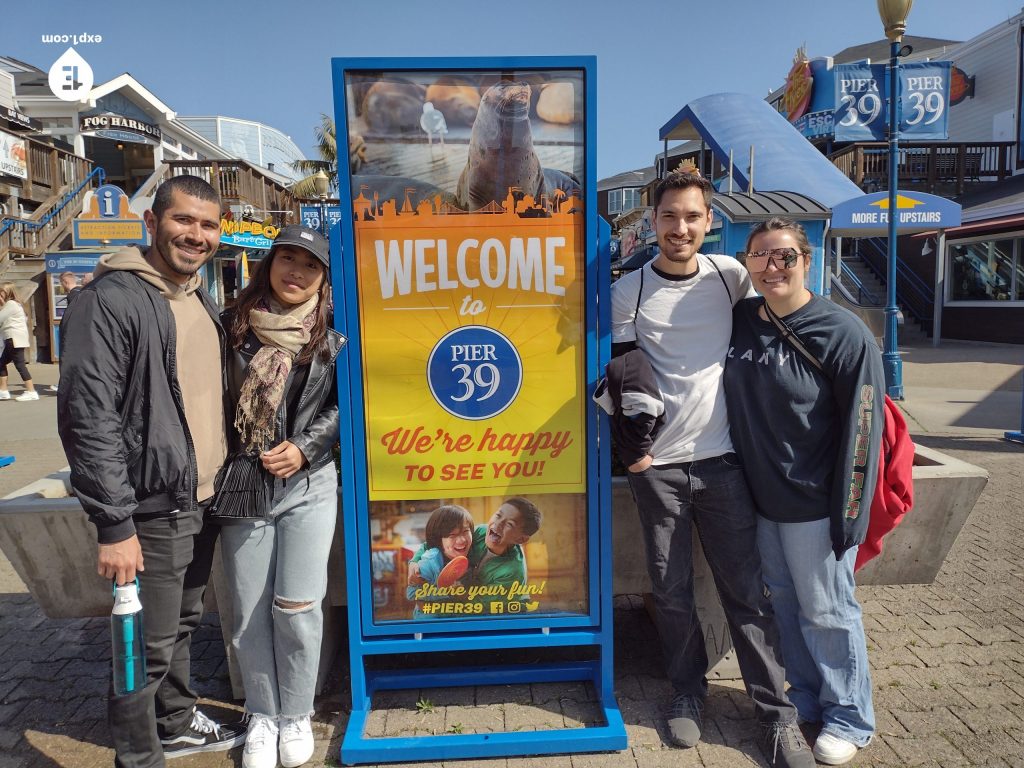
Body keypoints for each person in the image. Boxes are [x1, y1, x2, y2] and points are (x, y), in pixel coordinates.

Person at [610, 172, 813, 768]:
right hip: (659, 470)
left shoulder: (729, 276)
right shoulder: (631, 292)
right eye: (670, 217)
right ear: (653, 222)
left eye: (692, 217)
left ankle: (777, 717)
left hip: (725, 463)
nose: (681, 228)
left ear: (708, 222)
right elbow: (620, 380)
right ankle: (687, 692)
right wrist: (636, 456)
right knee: (670, 594)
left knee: (747, 595)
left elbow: (786, 304)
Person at [57, 175, 246, 767]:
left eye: (208, 224)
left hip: (201, 497)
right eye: (183, 220)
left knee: (181, 626)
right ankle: (139, 757)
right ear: (152, 222)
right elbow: (88, 416)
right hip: (150, 505)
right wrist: (114, 524)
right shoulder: (112, 299)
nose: (196, 235)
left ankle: (173, 723)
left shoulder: (194, 296)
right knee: (144, 647)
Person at [724, 218, 883, 766]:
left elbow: (865, 432)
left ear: (807, 260)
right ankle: (809, 698)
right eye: (761, 257)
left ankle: (850, 717)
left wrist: (850, 515)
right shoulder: (744, 319)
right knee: (787, 609)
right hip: (762, 501)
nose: (773, 267)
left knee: (828, 611)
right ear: (746, 264)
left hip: (816, 505)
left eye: (785, 257)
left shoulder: (843, 332)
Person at [218, 224, 344, 768]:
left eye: (309, 264)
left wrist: (306, 448)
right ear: (268, 264)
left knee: (297, 606)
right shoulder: (232, 326)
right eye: (286, 259)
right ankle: (262, 715)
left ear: (323, 277)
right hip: (244, 482)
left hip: (309, 485)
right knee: (247, 610)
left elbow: (344, 405)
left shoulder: (335, 335)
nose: (295, 272)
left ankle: (296, 711)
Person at [406, 504, 475, 614]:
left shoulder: (473, 550)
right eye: (452, 535)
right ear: (438, 540)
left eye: (465, 531)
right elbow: (411, 593)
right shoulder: (429, 563)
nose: (461, 540)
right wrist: (444, 592)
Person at [0, 282, 38, 401]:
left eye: (2, 292)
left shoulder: (11, 304)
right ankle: (3, 390)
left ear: (8, 292)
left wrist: (1, 304)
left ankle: (31, 391)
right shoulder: (15, 304)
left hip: (14, 338)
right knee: (1, 363)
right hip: (14, 338)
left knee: (20, 365)